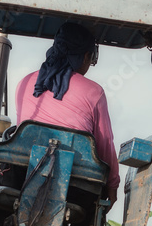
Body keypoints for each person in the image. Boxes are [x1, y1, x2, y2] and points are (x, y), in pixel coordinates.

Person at [15, 23, 120, 203]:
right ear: (86, 56)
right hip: (75, 186)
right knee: (92, 213)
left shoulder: (26, 83)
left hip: (22, 176)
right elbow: (104, 145)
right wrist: (112, 185)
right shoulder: (94, 92)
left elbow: (22, 132)